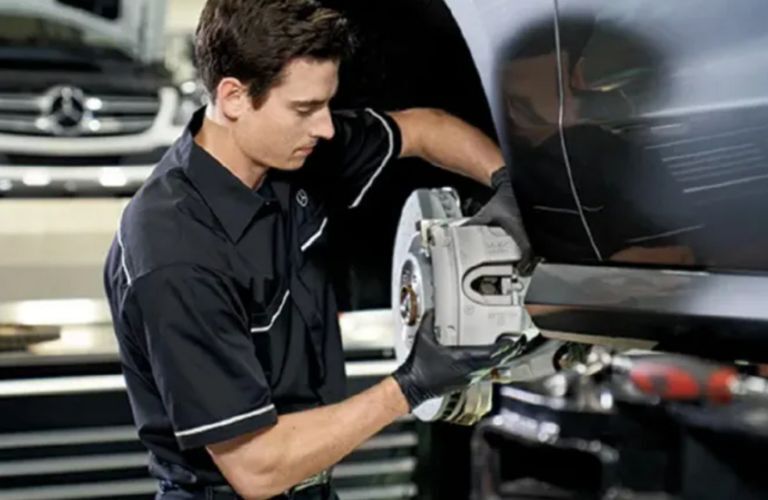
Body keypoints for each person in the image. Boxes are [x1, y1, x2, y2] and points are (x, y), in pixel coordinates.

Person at [103, 1, 530, 498]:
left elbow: (424, 128)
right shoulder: (175, 249)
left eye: (326, 103)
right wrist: (413, 384)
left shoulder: (297, 155)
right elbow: (256, 469)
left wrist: (508, 187)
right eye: (305, 109)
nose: (326, 127)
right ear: (234, 97)